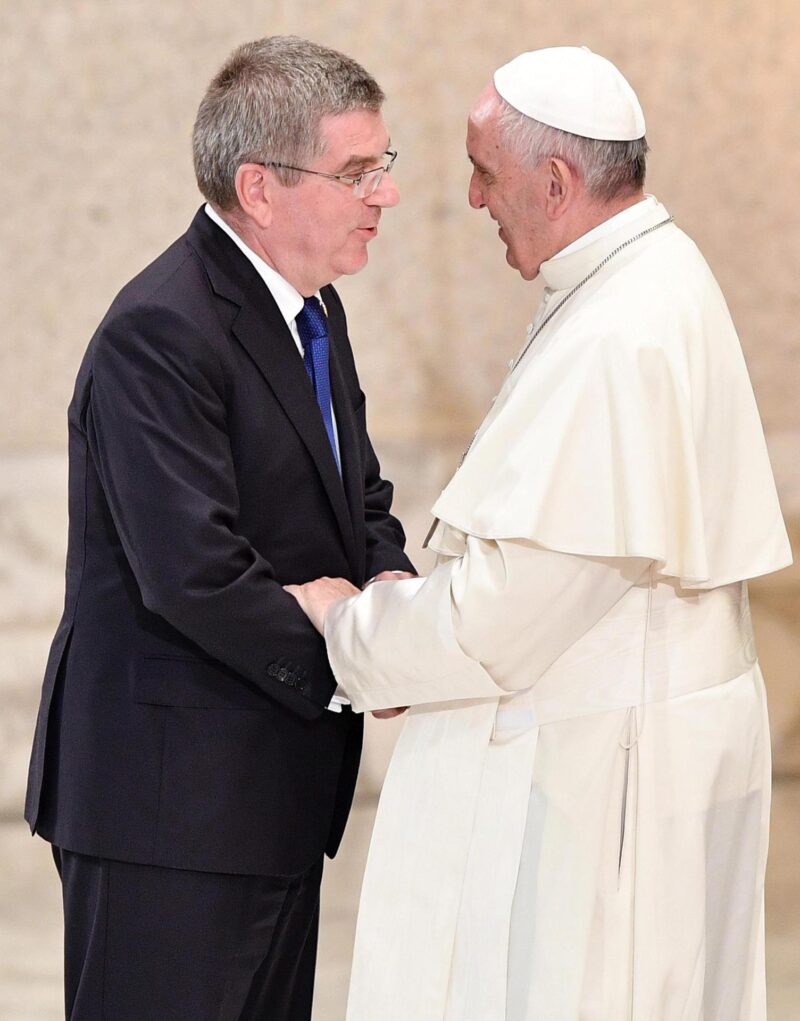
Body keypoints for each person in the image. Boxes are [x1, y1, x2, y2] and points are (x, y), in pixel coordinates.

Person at [286, 46, 792, 1021]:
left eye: (484, 172)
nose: (472, 198)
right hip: (635, 754)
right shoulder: (648, 275)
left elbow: (499, 621)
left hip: (605, 786)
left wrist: (350, 625)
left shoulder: (617, 332)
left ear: (554, 183)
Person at [24, 35, 414, 1021]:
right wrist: (354, 652)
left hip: (268, 798)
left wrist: (387, 596)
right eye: (357, 171)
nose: (386, 193)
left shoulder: (313, 311)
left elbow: (358, 496)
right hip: (168, 812)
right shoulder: (158, 329)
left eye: (382, 165)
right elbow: (192, 571)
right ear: (260, 188)